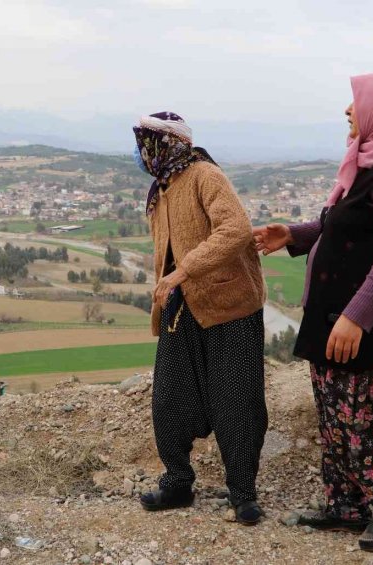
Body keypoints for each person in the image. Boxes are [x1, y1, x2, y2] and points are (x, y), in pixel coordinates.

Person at [254, 74, 373, 552]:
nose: (347, 110)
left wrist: (356, 316)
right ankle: (347, 506)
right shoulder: (369, 162)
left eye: (356, 102)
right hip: (337, 321)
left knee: (368, 424)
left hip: (370, 328)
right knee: (335, 420)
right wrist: (294, 235)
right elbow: (343, 227)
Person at [133, 112, 268, 525]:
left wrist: (184, 271)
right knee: (169, 398)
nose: (141, 152)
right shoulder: (162, 189)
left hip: (231, 305)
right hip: (181, 307)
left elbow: (236, 229)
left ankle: (243, 493)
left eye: (148, 142)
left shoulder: (204, 175)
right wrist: (169, 284)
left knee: (236, 401)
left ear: (169, 143)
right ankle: (178, 481)